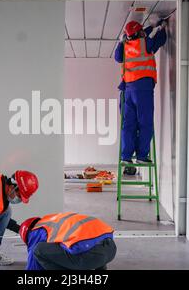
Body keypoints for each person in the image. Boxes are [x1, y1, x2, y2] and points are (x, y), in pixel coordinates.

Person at [114, 15, 167, 174]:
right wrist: (161, 27)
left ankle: (126, 156)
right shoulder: (146, 43)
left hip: (127, 91)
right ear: (140, 33)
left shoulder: (125, 46)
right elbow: (161, 40)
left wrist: (122, 40)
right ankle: (142, 155)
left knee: (128, 125)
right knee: (145, 122)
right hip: (142, 89)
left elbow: (117, 57)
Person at [19, 212, 117, 270]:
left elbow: (33, 266)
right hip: (111, 249)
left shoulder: (35, 232)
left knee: (38, 250)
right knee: (87, 241)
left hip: (90, 257)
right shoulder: (54, 220)